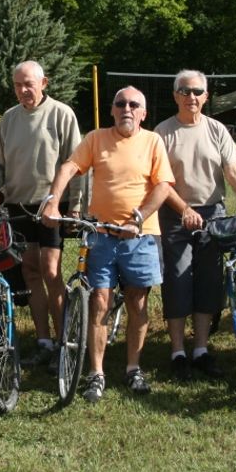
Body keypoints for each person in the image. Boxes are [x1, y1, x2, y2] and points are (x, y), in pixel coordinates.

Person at [42, 86, 173, 401]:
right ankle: (96, 373)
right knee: (99, 300)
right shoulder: (95, 139)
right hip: (101, 234)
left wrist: (138, 219)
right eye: (120, 104)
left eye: (133, 105)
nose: (126, 108)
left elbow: (164, 186)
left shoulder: (153, 141)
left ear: (143, 113)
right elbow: (69, 167)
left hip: (140, 237)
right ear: (112, 110)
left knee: (137, 301)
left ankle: (132, 368)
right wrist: (52, 201)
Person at [155, 70, 236, 381]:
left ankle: (201, 349)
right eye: (184, 90)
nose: (190, 97)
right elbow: (160, 183)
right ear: (175, 95)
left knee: (209, 281)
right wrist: (184, 210)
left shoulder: (217, 130)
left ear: (205, 96)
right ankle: (178, 352)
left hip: (213, 214)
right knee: (177, 279)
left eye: (197, 91)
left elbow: (232, 172)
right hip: (175, 214)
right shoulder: (162, 132)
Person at [0, 61, 84, 366]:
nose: (24, 90)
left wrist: (75, 206)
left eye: (29, 84)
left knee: (51, 270)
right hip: (18, 206)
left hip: (52, 205)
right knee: (31, 272)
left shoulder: (62, 114)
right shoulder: (9, 119)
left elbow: (76, 165)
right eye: (18, 85)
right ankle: (43, 341)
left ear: (44, 83)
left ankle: (66, 343)